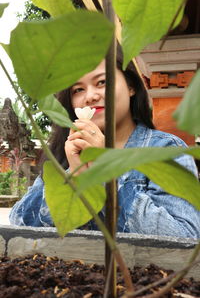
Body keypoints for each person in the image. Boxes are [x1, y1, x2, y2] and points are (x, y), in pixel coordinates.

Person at [9, 48, 200, 238]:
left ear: (131, 86)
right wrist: (73, 176)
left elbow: (184, 237)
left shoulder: (167, 150)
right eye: (78, 89)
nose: (90, 96)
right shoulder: (64, 153)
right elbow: (20, 222)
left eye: (102, 82)